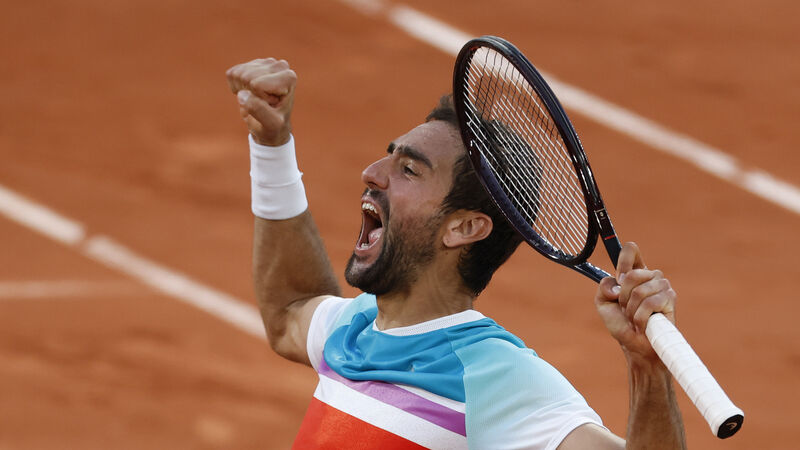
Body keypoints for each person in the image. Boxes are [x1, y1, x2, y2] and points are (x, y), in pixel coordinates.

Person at [226, 57, 686, 449]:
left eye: (409, 169)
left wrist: (648, 369)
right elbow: (289, 311)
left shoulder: (498, 378)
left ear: (464, 227)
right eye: (389, 157)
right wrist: (272, 147)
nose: (372, 173)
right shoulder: (355, 326)